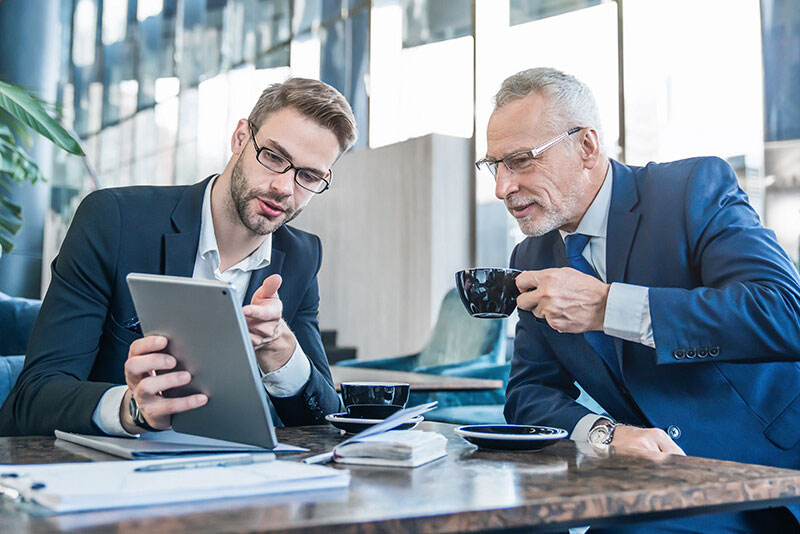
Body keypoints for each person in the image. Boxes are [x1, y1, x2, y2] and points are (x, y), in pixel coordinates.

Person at [478, 67, 800, 532]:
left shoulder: (691, 189)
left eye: (522, 160)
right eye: (494, 165)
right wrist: (606, 435)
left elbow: (784, 314)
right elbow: (530, 393)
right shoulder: (531, 254)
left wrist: (610, 307)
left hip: (764, 477)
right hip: (651, 485)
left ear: (586, 147)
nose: (502, 188)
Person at [0, 77, 356, 437]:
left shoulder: (300, 256)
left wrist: (280, 348)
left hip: (235, 477)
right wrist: (131, 409)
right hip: (110, 472)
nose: (283, 187)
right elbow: (33, 397)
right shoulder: (114, 221)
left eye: (308, 176)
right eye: (274, 157)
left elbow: (326, 422)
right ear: (241, 138)